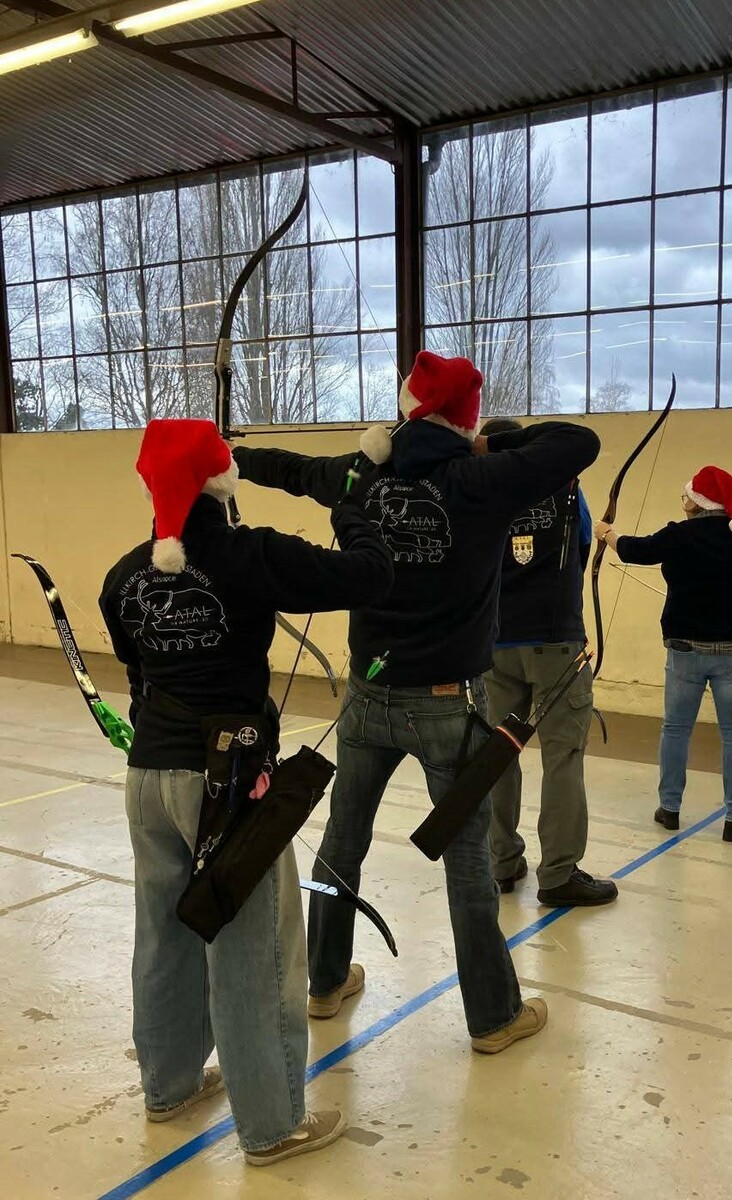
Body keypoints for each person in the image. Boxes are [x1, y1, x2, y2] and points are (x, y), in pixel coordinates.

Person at [233, 350, 600, 1053]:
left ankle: (324, 982)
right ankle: (493, 1018)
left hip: (368, 697)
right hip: (446, 706)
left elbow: (291, 469)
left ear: (405, 411)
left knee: (342, 842)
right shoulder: (480, 478)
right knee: (467, 863)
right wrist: (486, 445)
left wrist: (232, 458)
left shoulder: (363, 472)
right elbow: (577, 441)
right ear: (466, 419)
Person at [99, 418, 394, 1166]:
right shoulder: (251, 554)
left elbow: (138, 675)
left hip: (149, 779)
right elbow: (371, 574)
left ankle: (168, 1087)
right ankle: (270, 1125)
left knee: (163, 935)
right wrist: (350, 507)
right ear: (221, 481)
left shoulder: (124, 577)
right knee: (251, 952)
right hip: (224, 789)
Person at [594, 465, 732, 842]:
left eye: (687, 496)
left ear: (698, 502)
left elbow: (634, 550)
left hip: (685, 649)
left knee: (676, 729)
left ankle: (670, 809)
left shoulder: (679, 534)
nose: (684, 502)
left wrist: (606, 532)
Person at [478, 416, 616, 908]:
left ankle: (500, 863)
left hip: (494, 642)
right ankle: (557, 875)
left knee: (497, 755)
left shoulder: (477, 492)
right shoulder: (566, 487)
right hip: (556, 643)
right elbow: (581, 548)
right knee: (563, 757)